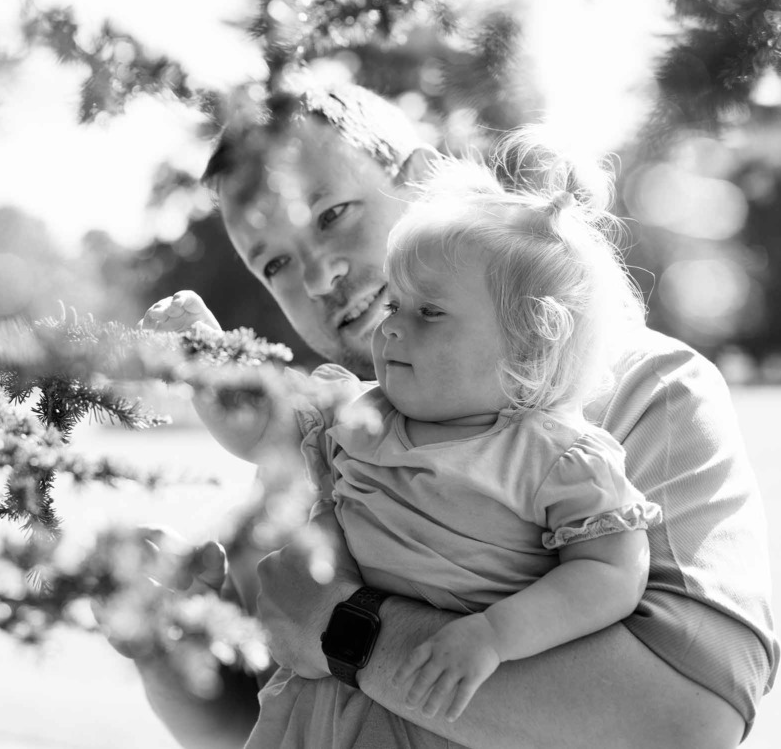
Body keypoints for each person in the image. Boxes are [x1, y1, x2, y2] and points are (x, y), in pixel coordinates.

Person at [134, 84, 777, 749]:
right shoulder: (327, 440)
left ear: (419, 183)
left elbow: (689, 724)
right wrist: (164, 654)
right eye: (276, 263)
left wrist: (346, 630)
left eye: (329, 216)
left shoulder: (651, 390)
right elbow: (264, 720)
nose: (320, 277)